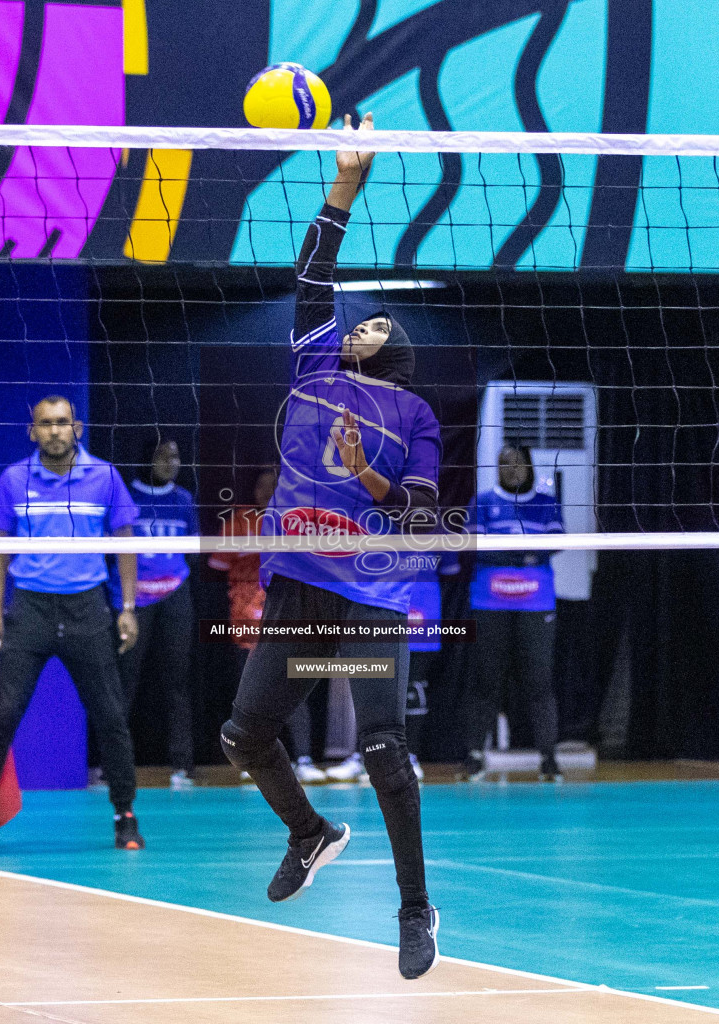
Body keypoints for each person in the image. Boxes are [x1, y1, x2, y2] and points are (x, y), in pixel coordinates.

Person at [217, 112, 443, 979]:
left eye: (377, 326)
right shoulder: (314, 368)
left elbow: (422, 515)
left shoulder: (414, 415)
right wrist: (345, 184)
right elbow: (312, 277)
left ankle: (416, 907)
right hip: (301, 590)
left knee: (383, 746)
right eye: (359, 321)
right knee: (244, 734)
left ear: (398, 353)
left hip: (374, 596)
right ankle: (310, 834)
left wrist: (369, 475)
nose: (361, 325)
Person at [0, 396, 145, 854]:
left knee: (111, 717)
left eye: (63, 423)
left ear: (76, 427)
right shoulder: (14, 479)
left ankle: (125, 817)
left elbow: (125, 542)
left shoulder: (105, 477)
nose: (56, 431)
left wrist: (128, 607)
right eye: (46, 424)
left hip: (87, 608)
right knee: (3, 715)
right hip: (31, 610)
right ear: (33, 431)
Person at [208, 468, 326, 783]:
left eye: (275, 486)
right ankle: (249, 759)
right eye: (263, 485)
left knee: (293, 692)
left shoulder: (300, 523)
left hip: (287, 619)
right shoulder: (238, 523)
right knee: (251, 696)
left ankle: (303, 759)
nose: (269, 491)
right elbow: (217, 566)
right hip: (245, 622)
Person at [461, 444, 565, 782]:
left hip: (536, 603)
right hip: (490, 602)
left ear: (530, 467)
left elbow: (554, 543)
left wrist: (506, 548)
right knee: (485, 680)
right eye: (505, 463)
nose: (512, 469)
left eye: (519, 463)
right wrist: (523, 554)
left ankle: (549, 759)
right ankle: (475, 756)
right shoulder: (483, 501)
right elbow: (476, 548)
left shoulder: (546, 501)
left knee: (539, 682)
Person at [111, 439, 196, 788]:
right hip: (133, 600)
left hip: (174, 595)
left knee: (177, 681)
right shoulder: (127, 496)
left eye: (176, 456)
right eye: (163, 456)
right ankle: (113, 766)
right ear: (149, 458)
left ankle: (182, 765)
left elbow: (192, 548)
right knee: (124, 681)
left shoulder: (184, 500)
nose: (171, 462)